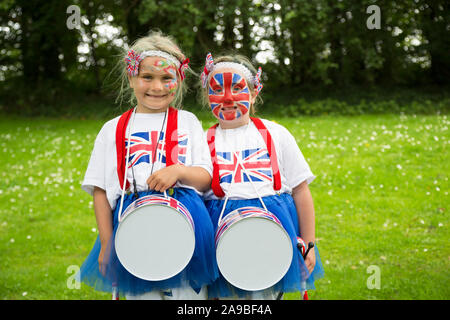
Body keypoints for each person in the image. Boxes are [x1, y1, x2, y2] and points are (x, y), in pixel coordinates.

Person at [78, 31, 218, 300]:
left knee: (187, 295)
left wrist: (178, 171)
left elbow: (205, 179)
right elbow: (100, 191)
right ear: (131, 78)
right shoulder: (112, 129)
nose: (157, 87)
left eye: (167, 78)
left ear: (178, 81)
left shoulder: (187, 122)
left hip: (185, 222)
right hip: (132, 222)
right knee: (143, 293)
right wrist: (107, 243)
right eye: (147, 77)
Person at [199, 53, 324, 299]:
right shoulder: (201, 141)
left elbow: (300, 190)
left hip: (272, 230)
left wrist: (309, 243)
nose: (228, 97)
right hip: (220, 232)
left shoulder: (277, 133)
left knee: (264, 293)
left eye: (237, 88)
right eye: (217, 90)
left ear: (254, 93)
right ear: (207, 97)